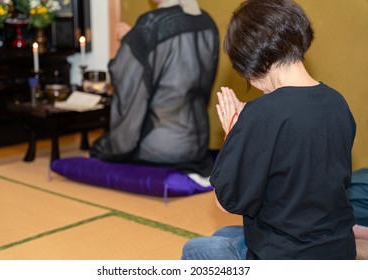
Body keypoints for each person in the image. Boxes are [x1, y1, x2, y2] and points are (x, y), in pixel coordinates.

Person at [181, 0, 357, 259]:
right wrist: (247, 132)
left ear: (250, 60)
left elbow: (226, 201)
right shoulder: (337, 102)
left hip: (287, 258)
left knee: (194, 250)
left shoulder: (262, 113)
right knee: (225, 236)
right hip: (336, 250)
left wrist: (235, 131)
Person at [90, 0, 219, 178]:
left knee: (100, 148)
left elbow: (125, 76)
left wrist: (131, 43)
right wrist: (137, 41)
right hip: (197, 142)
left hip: (160, 145)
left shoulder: (152, 23)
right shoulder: (206, 21)